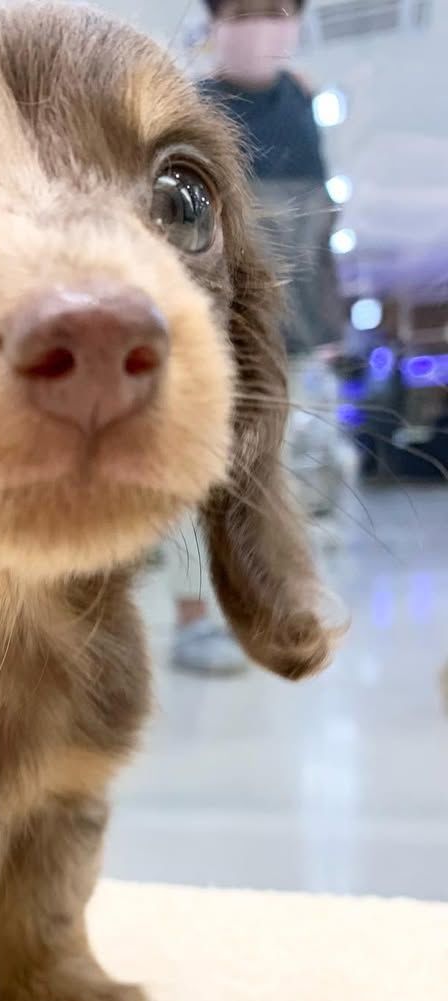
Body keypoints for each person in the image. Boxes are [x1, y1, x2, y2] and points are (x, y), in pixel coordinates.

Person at [169, 0, 346, 675]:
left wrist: (326, 323)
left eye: (275, 10)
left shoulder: (302, 109)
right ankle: (192, 622)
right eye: (244, 11)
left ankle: (274, 603)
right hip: (212, 328)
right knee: (193, 469)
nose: (261, 24)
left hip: (291, 330)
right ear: (215, 21)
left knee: (277, 470)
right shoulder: (193, 106)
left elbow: (320, 225)